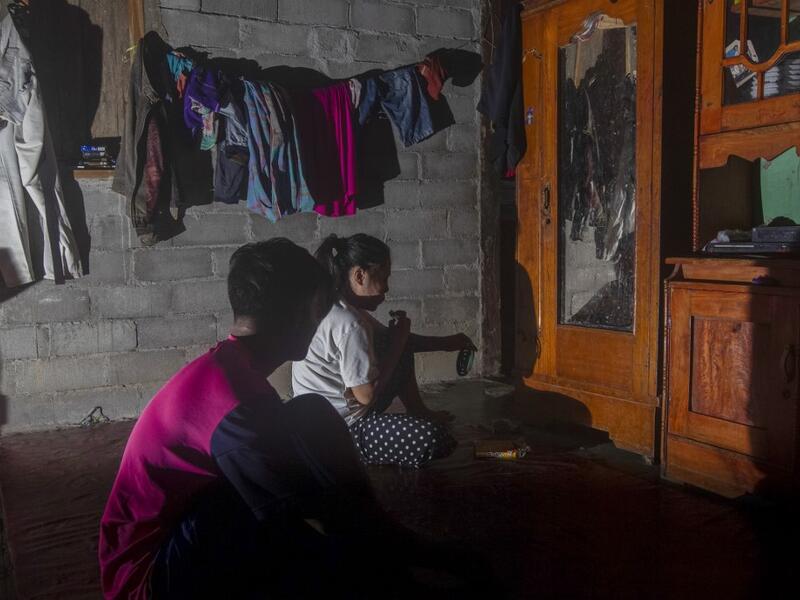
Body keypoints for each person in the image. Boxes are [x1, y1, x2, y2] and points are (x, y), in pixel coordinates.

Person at [98, 239, 479, 599]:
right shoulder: (233, 403)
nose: (320, 321)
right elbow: (285, 531)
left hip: (186, 535)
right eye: (318, 308)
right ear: (296, 312)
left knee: (309, 414)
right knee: (287, 528)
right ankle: (390, 576)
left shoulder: (232, 368)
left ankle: (391, 555)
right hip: (148, 579)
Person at [292, 233, 477, 468]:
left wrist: (448, 343)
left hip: (320, 423)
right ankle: (358, 453)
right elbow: (366, 396)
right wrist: (399, 342)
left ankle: (418, 410)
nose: (387, 288)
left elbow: (397, 340)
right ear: (360, 275)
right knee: (434, 438)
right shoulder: (349, 323)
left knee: (396, 344)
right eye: (384, 277)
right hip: (339, 433)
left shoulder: (338, 306)